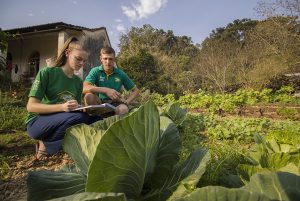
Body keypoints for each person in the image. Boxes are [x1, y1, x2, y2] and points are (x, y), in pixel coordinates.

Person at [26, 36, 101, 161]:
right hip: (37, 122)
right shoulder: (47, 73)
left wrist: (82, 107)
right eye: (78, 59)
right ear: (67, 53)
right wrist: (62, 107)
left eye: (84, 61)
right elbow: (31, 106)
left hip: (63, 119)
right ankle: (45, 145)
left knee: (96, 119)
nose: (81, 64)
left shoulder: (78, 82)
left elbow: (74, 108)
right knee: (79, 118)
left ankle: (67, 147)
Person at [83, 46, 140, 115]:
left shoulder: (120, 74)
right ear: (101, 58)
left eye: (110, 59)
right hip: (99, 103)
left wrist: (127, 102)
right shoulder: (95, 71)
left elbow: (136, 91)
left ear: (114, 59)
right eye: (105, 58)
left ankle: (117, 123)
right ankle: (93, 119)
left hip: (115, 103)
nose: (108, 62)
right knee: (89, 96)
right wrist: (106, 90)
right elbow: (84, 88)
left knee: (123, 109)